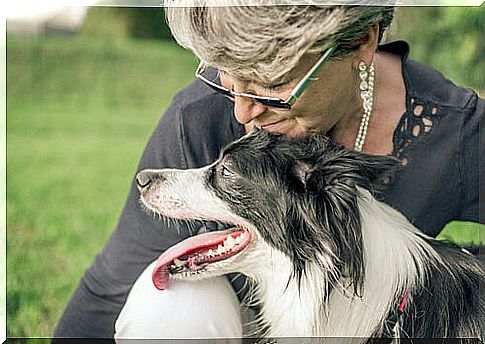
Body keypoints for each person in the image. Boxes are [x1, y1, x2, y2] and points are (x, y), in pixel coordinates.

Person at [54, 3, 484, 340]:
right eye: (227, 74)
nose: (242, 110)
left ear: (361, 42)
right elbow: (107, 293)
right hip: (234, 330)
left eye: (270, 82)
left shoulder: (456, 131)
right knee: (176, 309)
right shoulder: (198, 119)